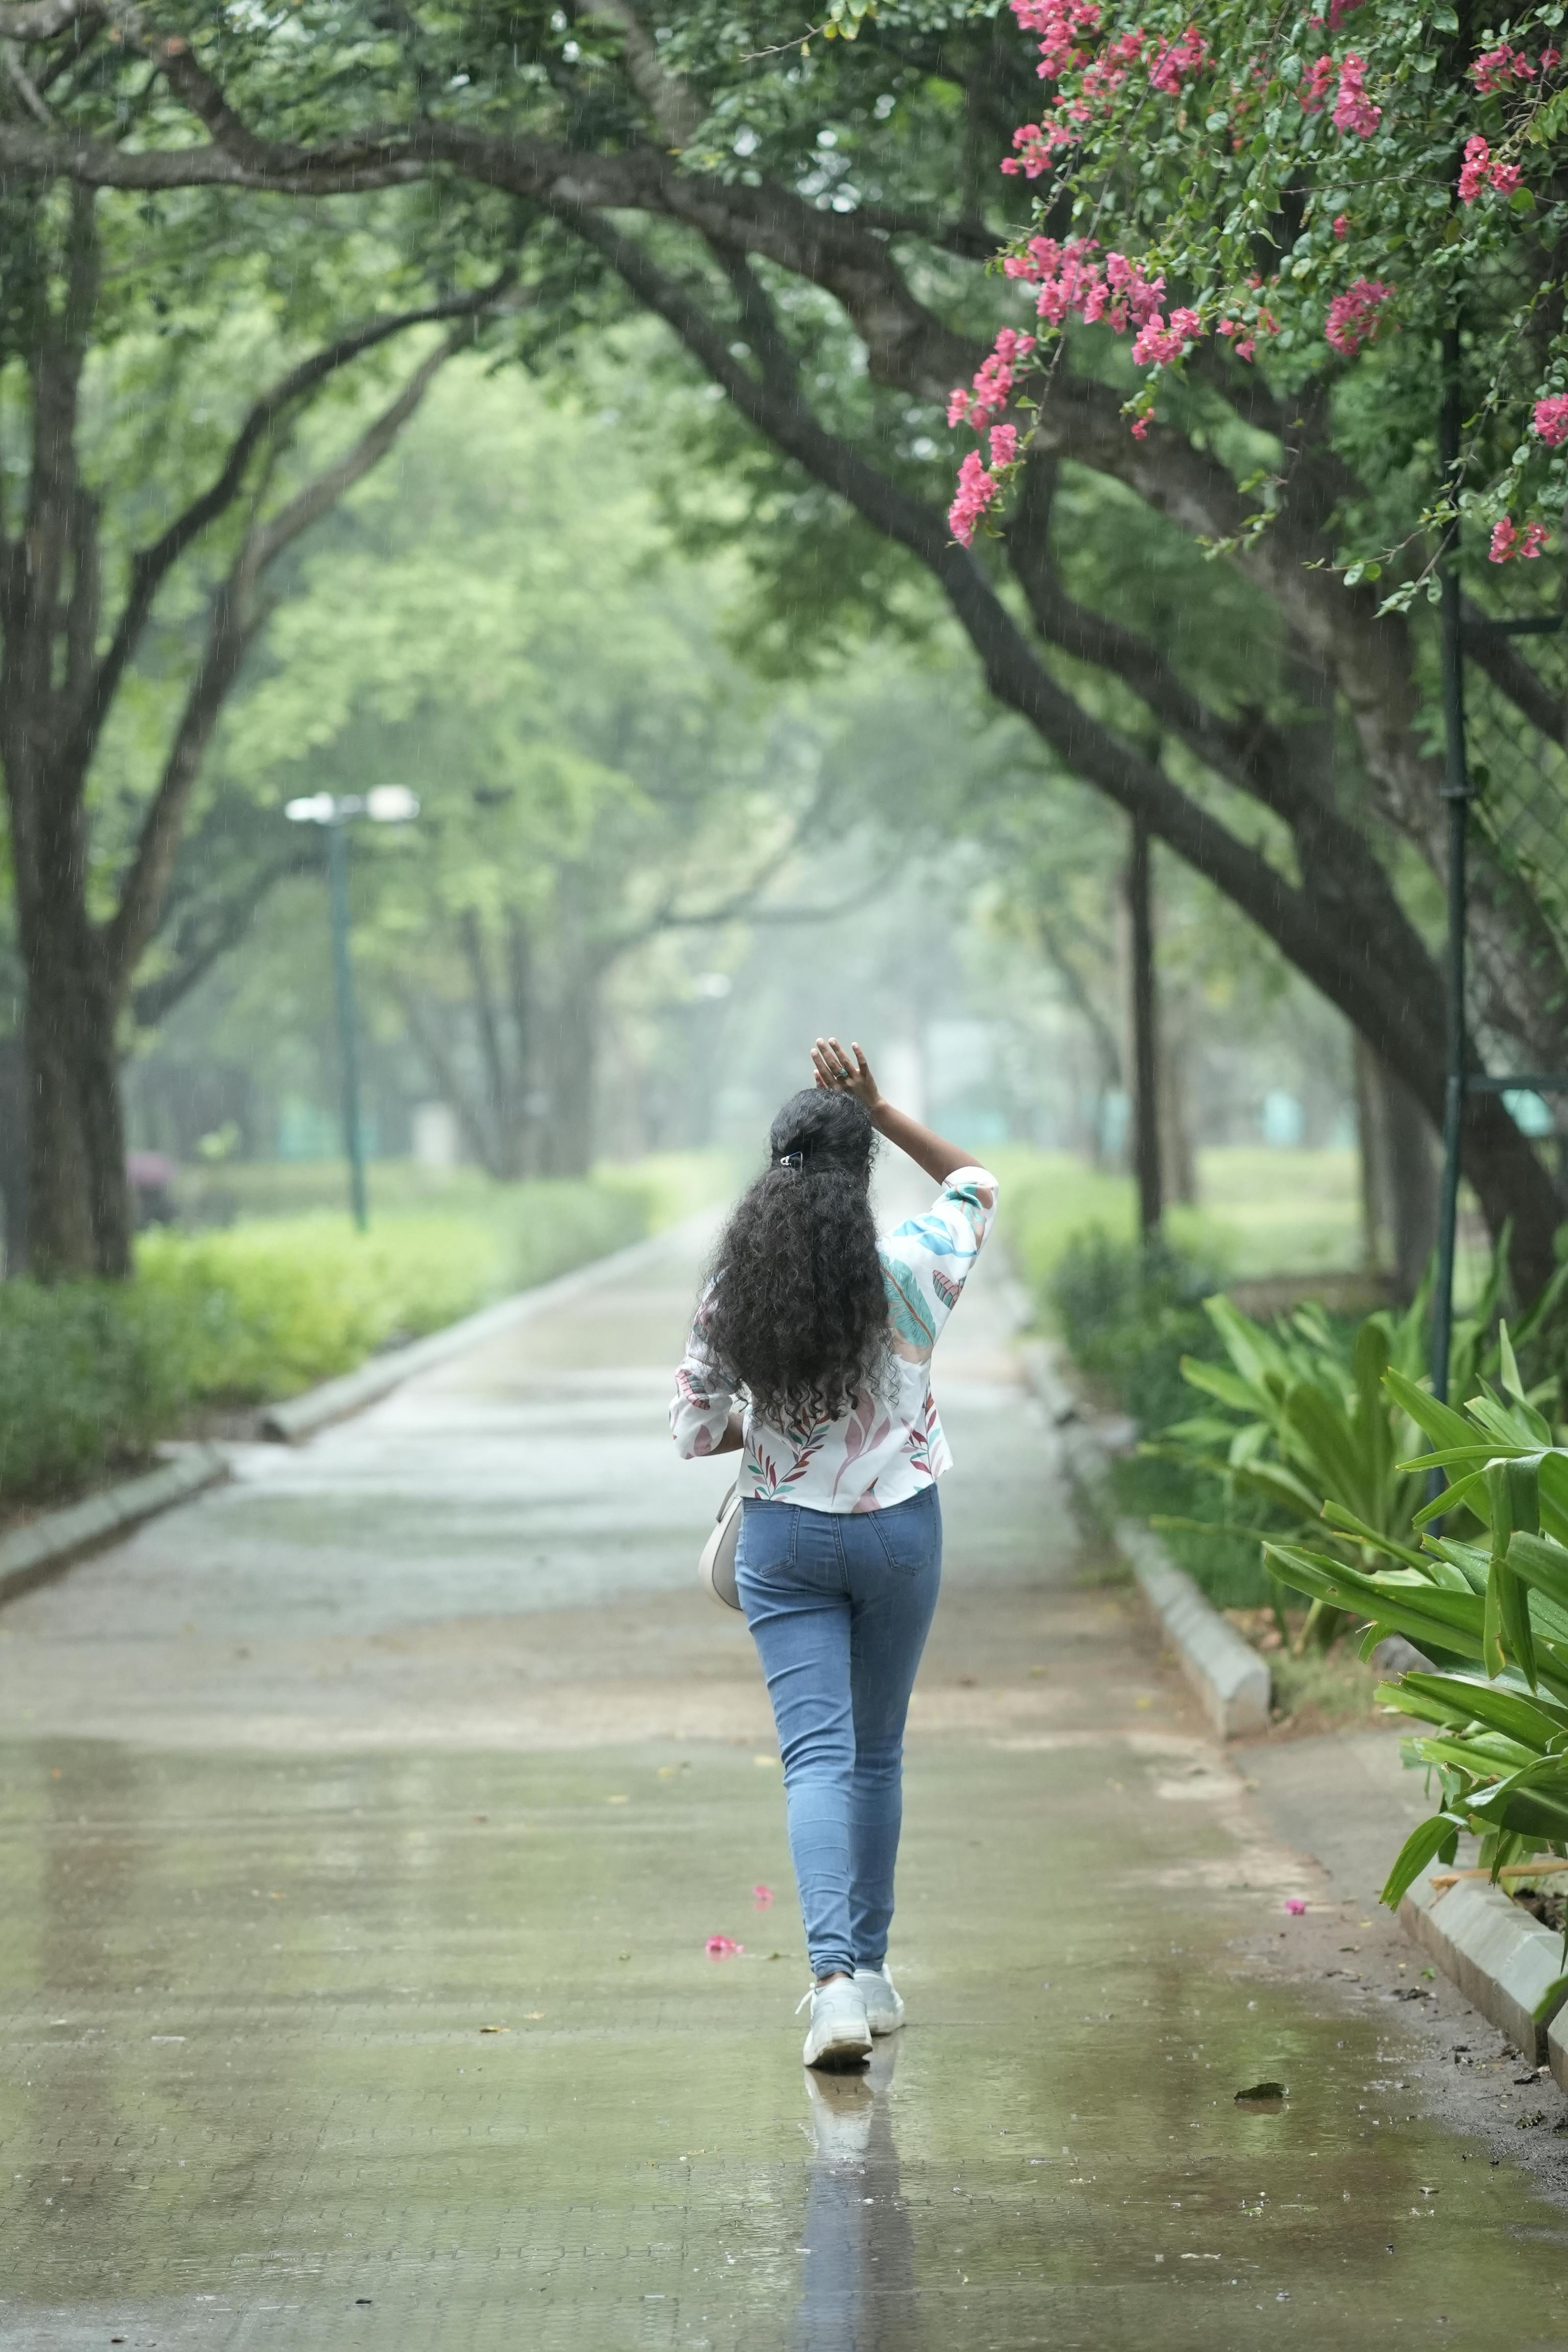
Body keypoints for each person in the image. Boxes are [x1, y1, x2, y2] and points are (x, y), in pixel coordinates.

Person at [669, 1036, 999, 2069]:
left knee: (814, 1757)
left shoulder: (740, 1287)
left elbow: (690, 1427)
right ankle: (874, 1966)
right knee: (877, 1753)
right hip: (900, 1532)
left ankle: (834, 1990)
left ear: (774, 1175)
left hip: (784, 1538)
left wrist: (773, 1427)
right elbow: (977, 1183)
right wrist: (883, 1108)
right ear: (860, 1176)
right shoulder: (909, 1266)